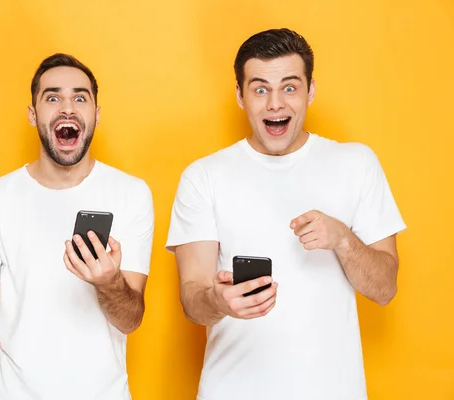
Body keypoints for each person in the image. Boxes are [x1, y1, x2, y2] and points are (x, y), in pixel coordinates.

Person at [166, 28, 406, 399]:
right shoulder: (203, 177)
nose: (275, 104)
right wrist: (219, 301)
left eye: (290, 88)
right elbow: (192, 299)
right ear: (240, 96)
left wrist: (343, 238)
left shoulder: (356, 163)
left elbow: (385, 288)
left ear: (310, 91)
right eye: (260, 89)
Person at [0, 53, 154, 399]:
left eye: (80, 98)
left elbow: (130, 320)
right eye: (53, 97)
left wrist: (108, 281)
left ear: (96, 114)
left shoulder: (131, 194)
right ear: (33, 115)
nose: (67, 108)